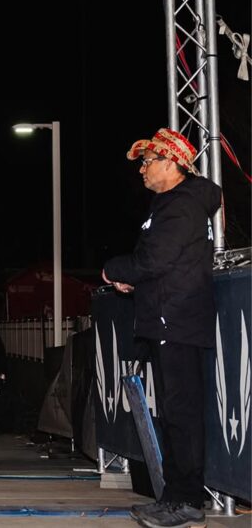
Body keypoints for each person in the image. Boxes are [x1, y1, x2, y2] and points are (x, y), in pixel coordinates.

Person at [102, 128, 221, 528]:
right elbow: (161, 262)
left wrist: (115, 270)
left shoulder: (180, 205)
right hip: (170, 317)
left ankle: (186, 501)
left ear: (171, 163)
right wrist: (134, 278)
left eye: (148, 161)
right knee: (174, 413)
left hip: (177, 319)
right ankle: (175, 496)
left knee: (182, 414)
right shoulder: (172, 204)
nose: (142, 170)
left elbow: (156, 260)